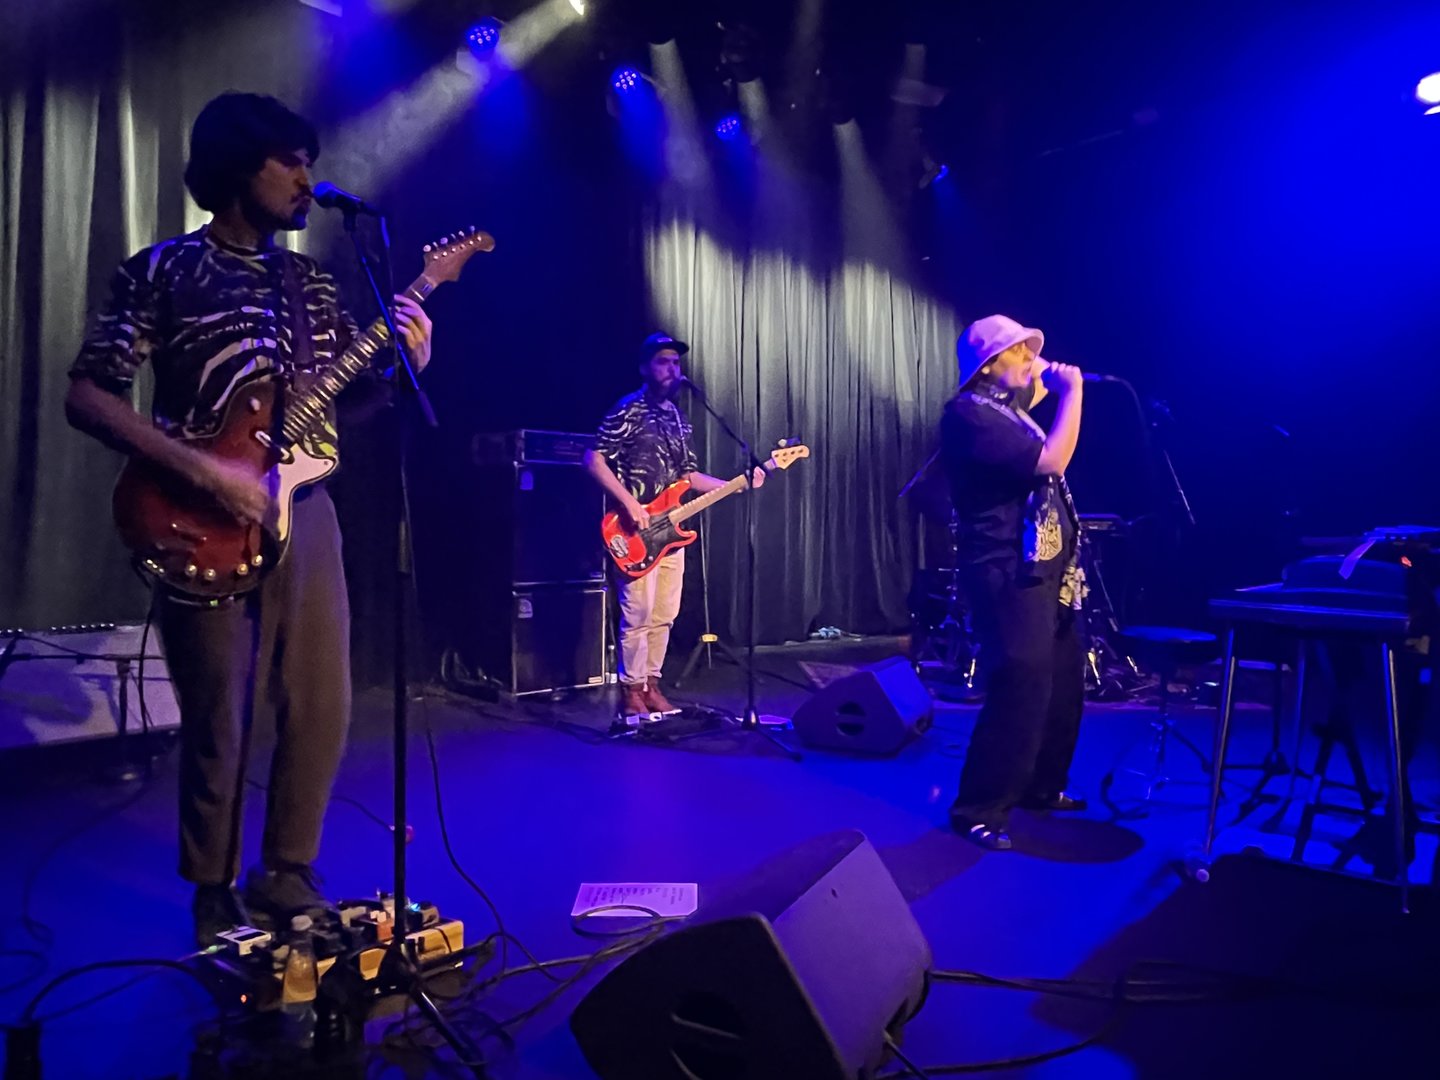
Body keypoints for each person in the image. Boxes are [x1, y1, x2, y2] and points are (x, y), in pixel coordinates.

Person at [64, 92, 433, 946]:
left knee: (322, 702)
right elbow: (89, 395)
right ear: (238, 166)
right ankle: (212, 891)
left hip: (306, 511)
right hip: (196, 514)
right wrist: (206, 473)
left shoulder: (310, 283)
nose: (308, 178)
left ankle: (289, 873)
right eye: (289, 161)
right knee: (219, 716)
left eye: (311, 162)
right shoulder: (162, 271)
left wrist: (403, 365)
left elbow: (341, 410)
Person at [940, 314, 1088, 850]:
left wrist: (1043, 376)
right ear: (986, 365)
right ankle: (979, 808)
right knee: (1019, 685)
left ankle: (1041, 786)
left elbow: (1032, 394)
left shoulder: (1008, 412)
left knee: (1062, 681)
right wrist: (1073, 393)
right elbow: (1051, 461)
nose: (1030, 358)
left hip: (1045, 568)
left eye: (1030, 349)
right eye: (1018, 351)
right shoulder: (969, 414)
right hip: (1005, 568)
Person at [584, 333, 763, 718]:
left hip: (670, 532)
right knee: (638, 613)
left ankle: (652, 683)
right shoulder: (628, 409)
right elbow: (593, 459)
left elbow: (688, 477)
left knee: (664, 613)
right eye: (663, 361)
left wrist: (736, 483)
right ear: (644, 367)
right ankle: (631, 689)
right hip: (633, 528)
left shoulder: (679, 419)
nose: (672, 369)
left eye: (676, 362)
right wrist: (630, 503)